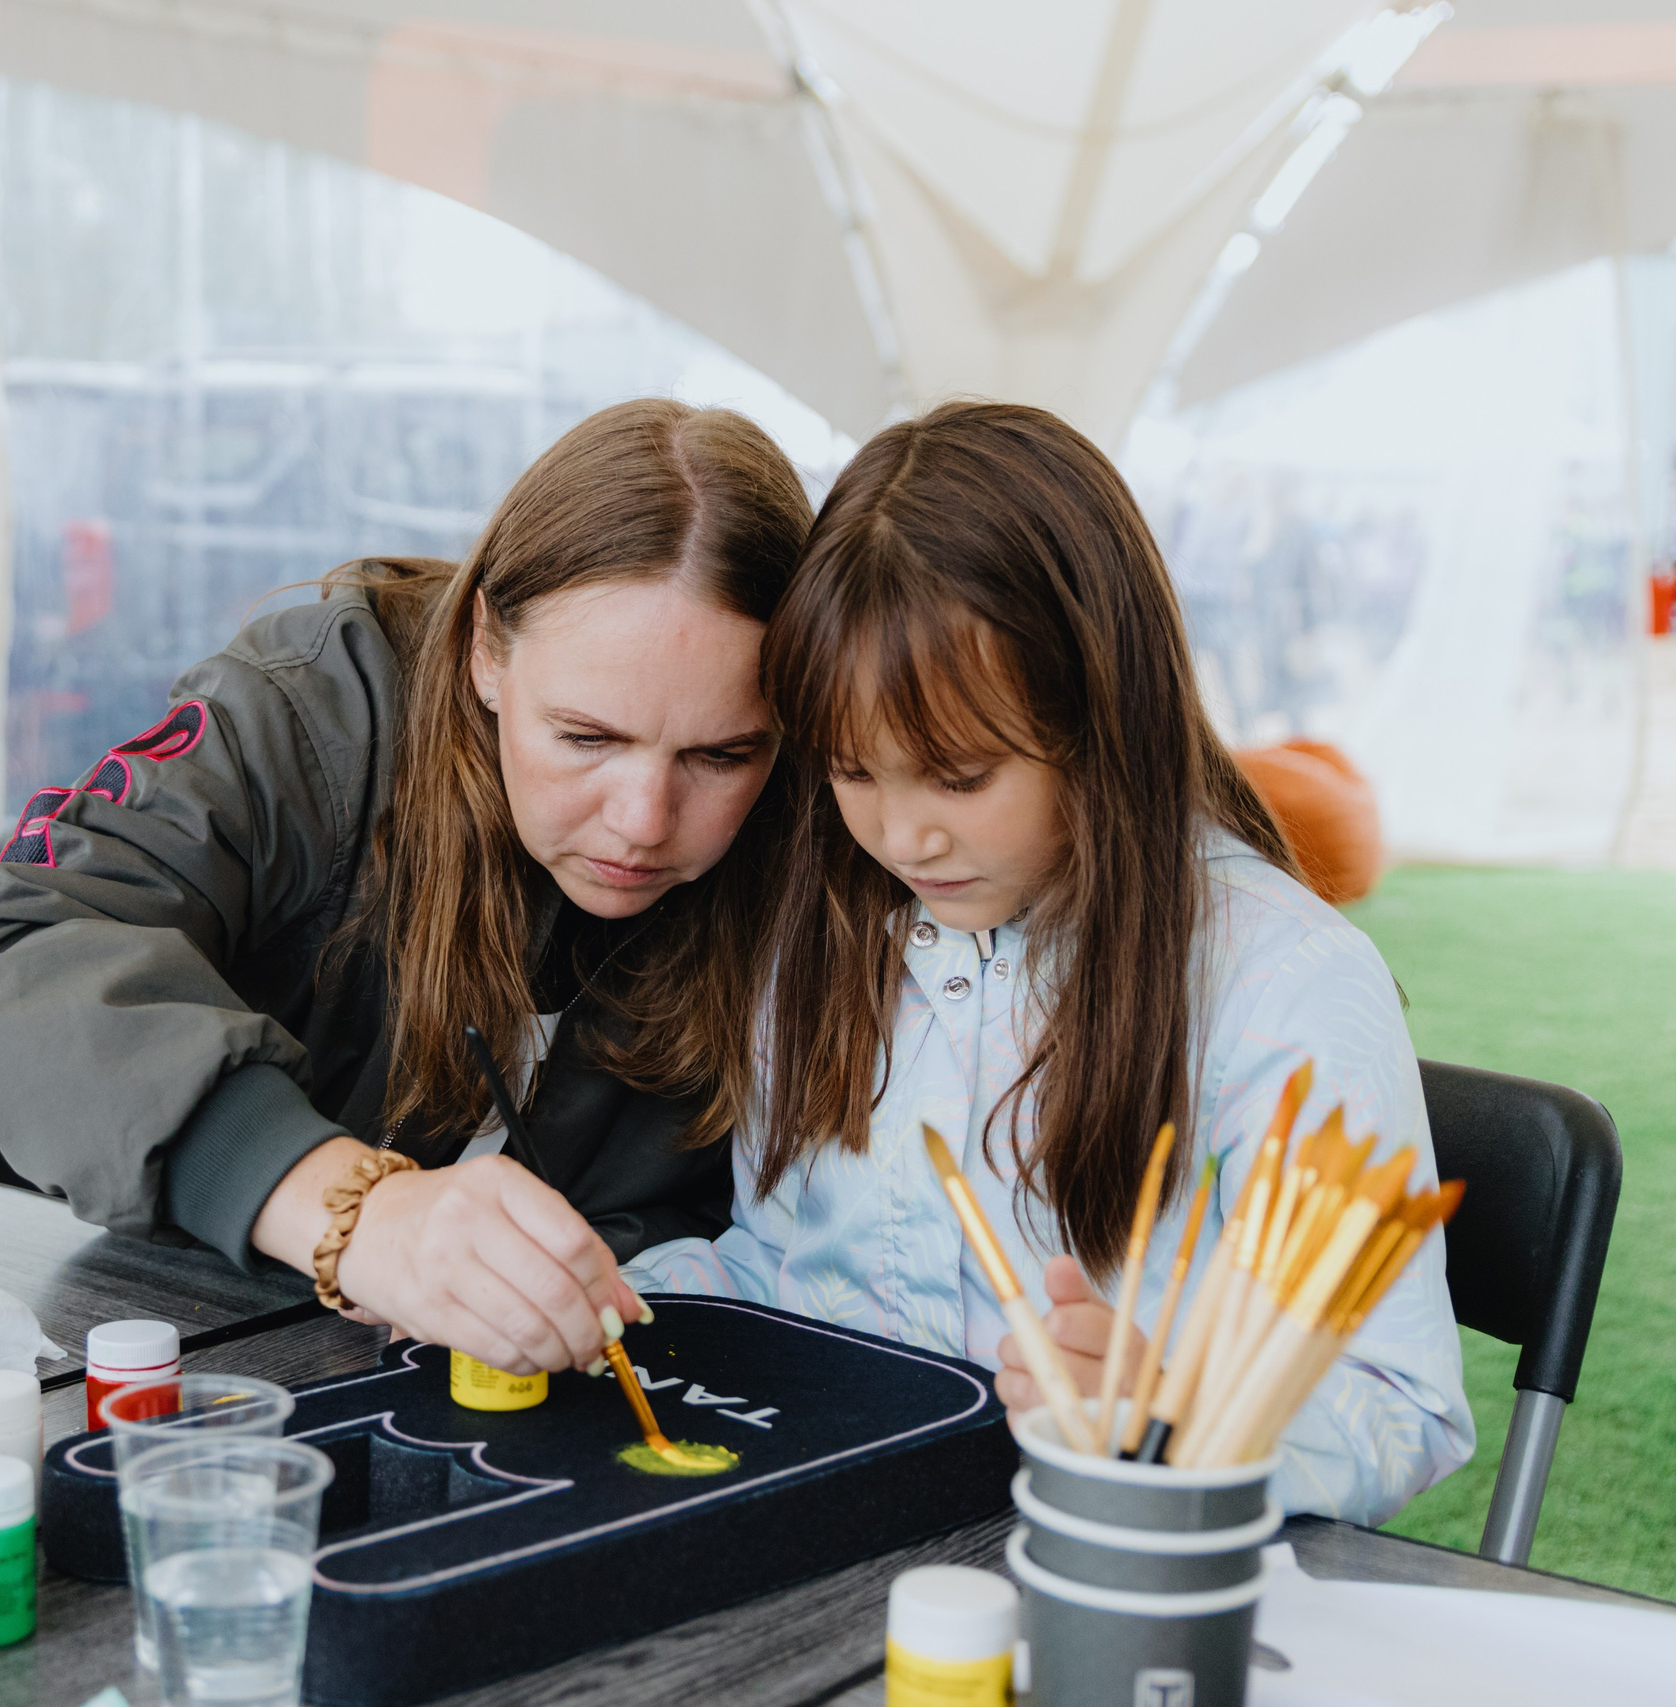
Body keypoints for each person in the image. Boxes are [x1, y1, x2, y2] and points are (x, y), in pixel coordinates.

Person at [627, 402, 1471, 1522]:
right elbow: (783, 1270)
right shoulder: (829, 925)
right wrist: (614, 1300)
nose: (902, 836)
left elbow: (1399, 1408)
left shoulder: (1285, 985)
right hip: (843, 1532)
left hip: (1099, 1558)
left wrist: (1175, 1415)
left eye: (960, 776)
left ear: (1102, 719)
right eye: (851, 770)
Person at [0, 399, 813, 1378]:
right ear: (485, 650)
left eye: (723, 755)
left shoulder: (837, 803)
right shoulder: (319, 716)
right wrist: (355, 1210)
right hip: (207, 1358)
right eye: (586, 737)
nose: (642, 819)